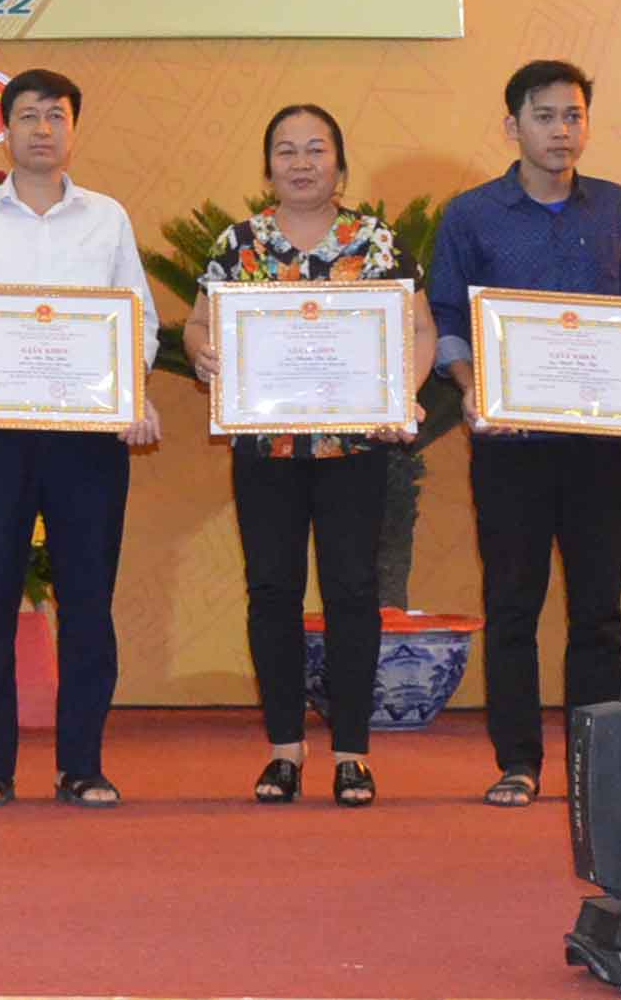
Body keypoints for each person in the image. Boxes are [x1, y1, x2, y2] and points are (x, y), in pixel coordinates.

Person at [0, 68, 160, 809]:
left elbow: (140, 320)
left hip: (87, 440)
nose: (42, 128)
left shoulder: (107, 219)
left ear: (73, 129)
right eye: (28, 115)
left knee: (88, 601)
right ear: (5, 130)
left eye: (56, 115)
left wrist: (130, 392)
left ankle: (82, 764)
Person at [184, 106, 438, 808]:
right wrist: (202, 353)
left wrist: (401, 396)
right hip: (264, 446)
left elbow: (419, 329)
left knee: (353, 592)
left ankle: (352, 754)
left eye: (316, 150)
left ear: (340, 164)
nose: (301, 163)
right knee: (272, 592)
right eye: (286, 151)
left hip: (355, 446)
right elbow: (200, 322)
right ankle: (284, 751)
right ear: (268, 167)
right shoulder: (239, 243)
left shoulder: (376, 241)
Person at [426, 59, 621, 808]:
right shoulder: (471, 215)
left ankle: (596, 770)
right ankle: (518, 762)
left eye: (574, 116)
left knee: (599, 612)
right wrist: (469, 385)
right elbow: (446, 315)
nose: (562, 130)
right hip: (510, 446)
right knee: (512, 607)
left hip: (599, 448)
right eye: (545, 116)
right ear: (513, 126)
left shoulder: (617, 209)